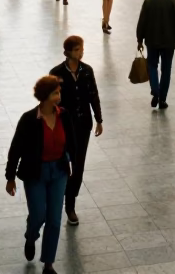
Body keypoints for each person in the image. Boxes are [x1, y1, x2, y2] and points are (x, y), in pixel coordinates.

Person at [5, 75, 77, 273]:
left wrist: (73, 166)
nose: (59, 96)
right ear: (45, 96)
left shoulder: (64, 115)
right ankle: (30, 236)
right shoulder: (29, 119)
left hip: (59, 171)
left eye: (59, 92)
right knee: (38, 215)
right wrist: (10, 177)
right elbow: (15, 149)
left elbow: (72, 144)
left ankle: (48, 263)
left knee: (54, 219)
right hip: (35, 173)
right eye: (55, 93)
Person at [49, 36, 102, 226]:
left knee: (78, 166)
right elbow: (50, 100)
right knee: (64, 163)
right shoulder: (56, 73)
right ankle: (57, 198)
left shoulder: (87, 71)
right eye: (78, 49)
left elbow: (93, 95)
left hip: (83, 125)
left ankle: (70, 204)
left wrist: (98, 119)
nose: (81, 52)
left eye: (82, 49)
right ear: (68, 52)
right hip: (63, 126)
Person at [136, 0, 175, 109]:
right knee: (166, 69)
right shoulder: (174, 2)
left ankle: (155, 91)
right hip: (169, 42)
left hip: (152, 41)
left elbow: (142, 21)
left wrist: (139, 39)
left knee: (152, 66)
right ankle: (162, 99)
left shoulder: (148, 1)